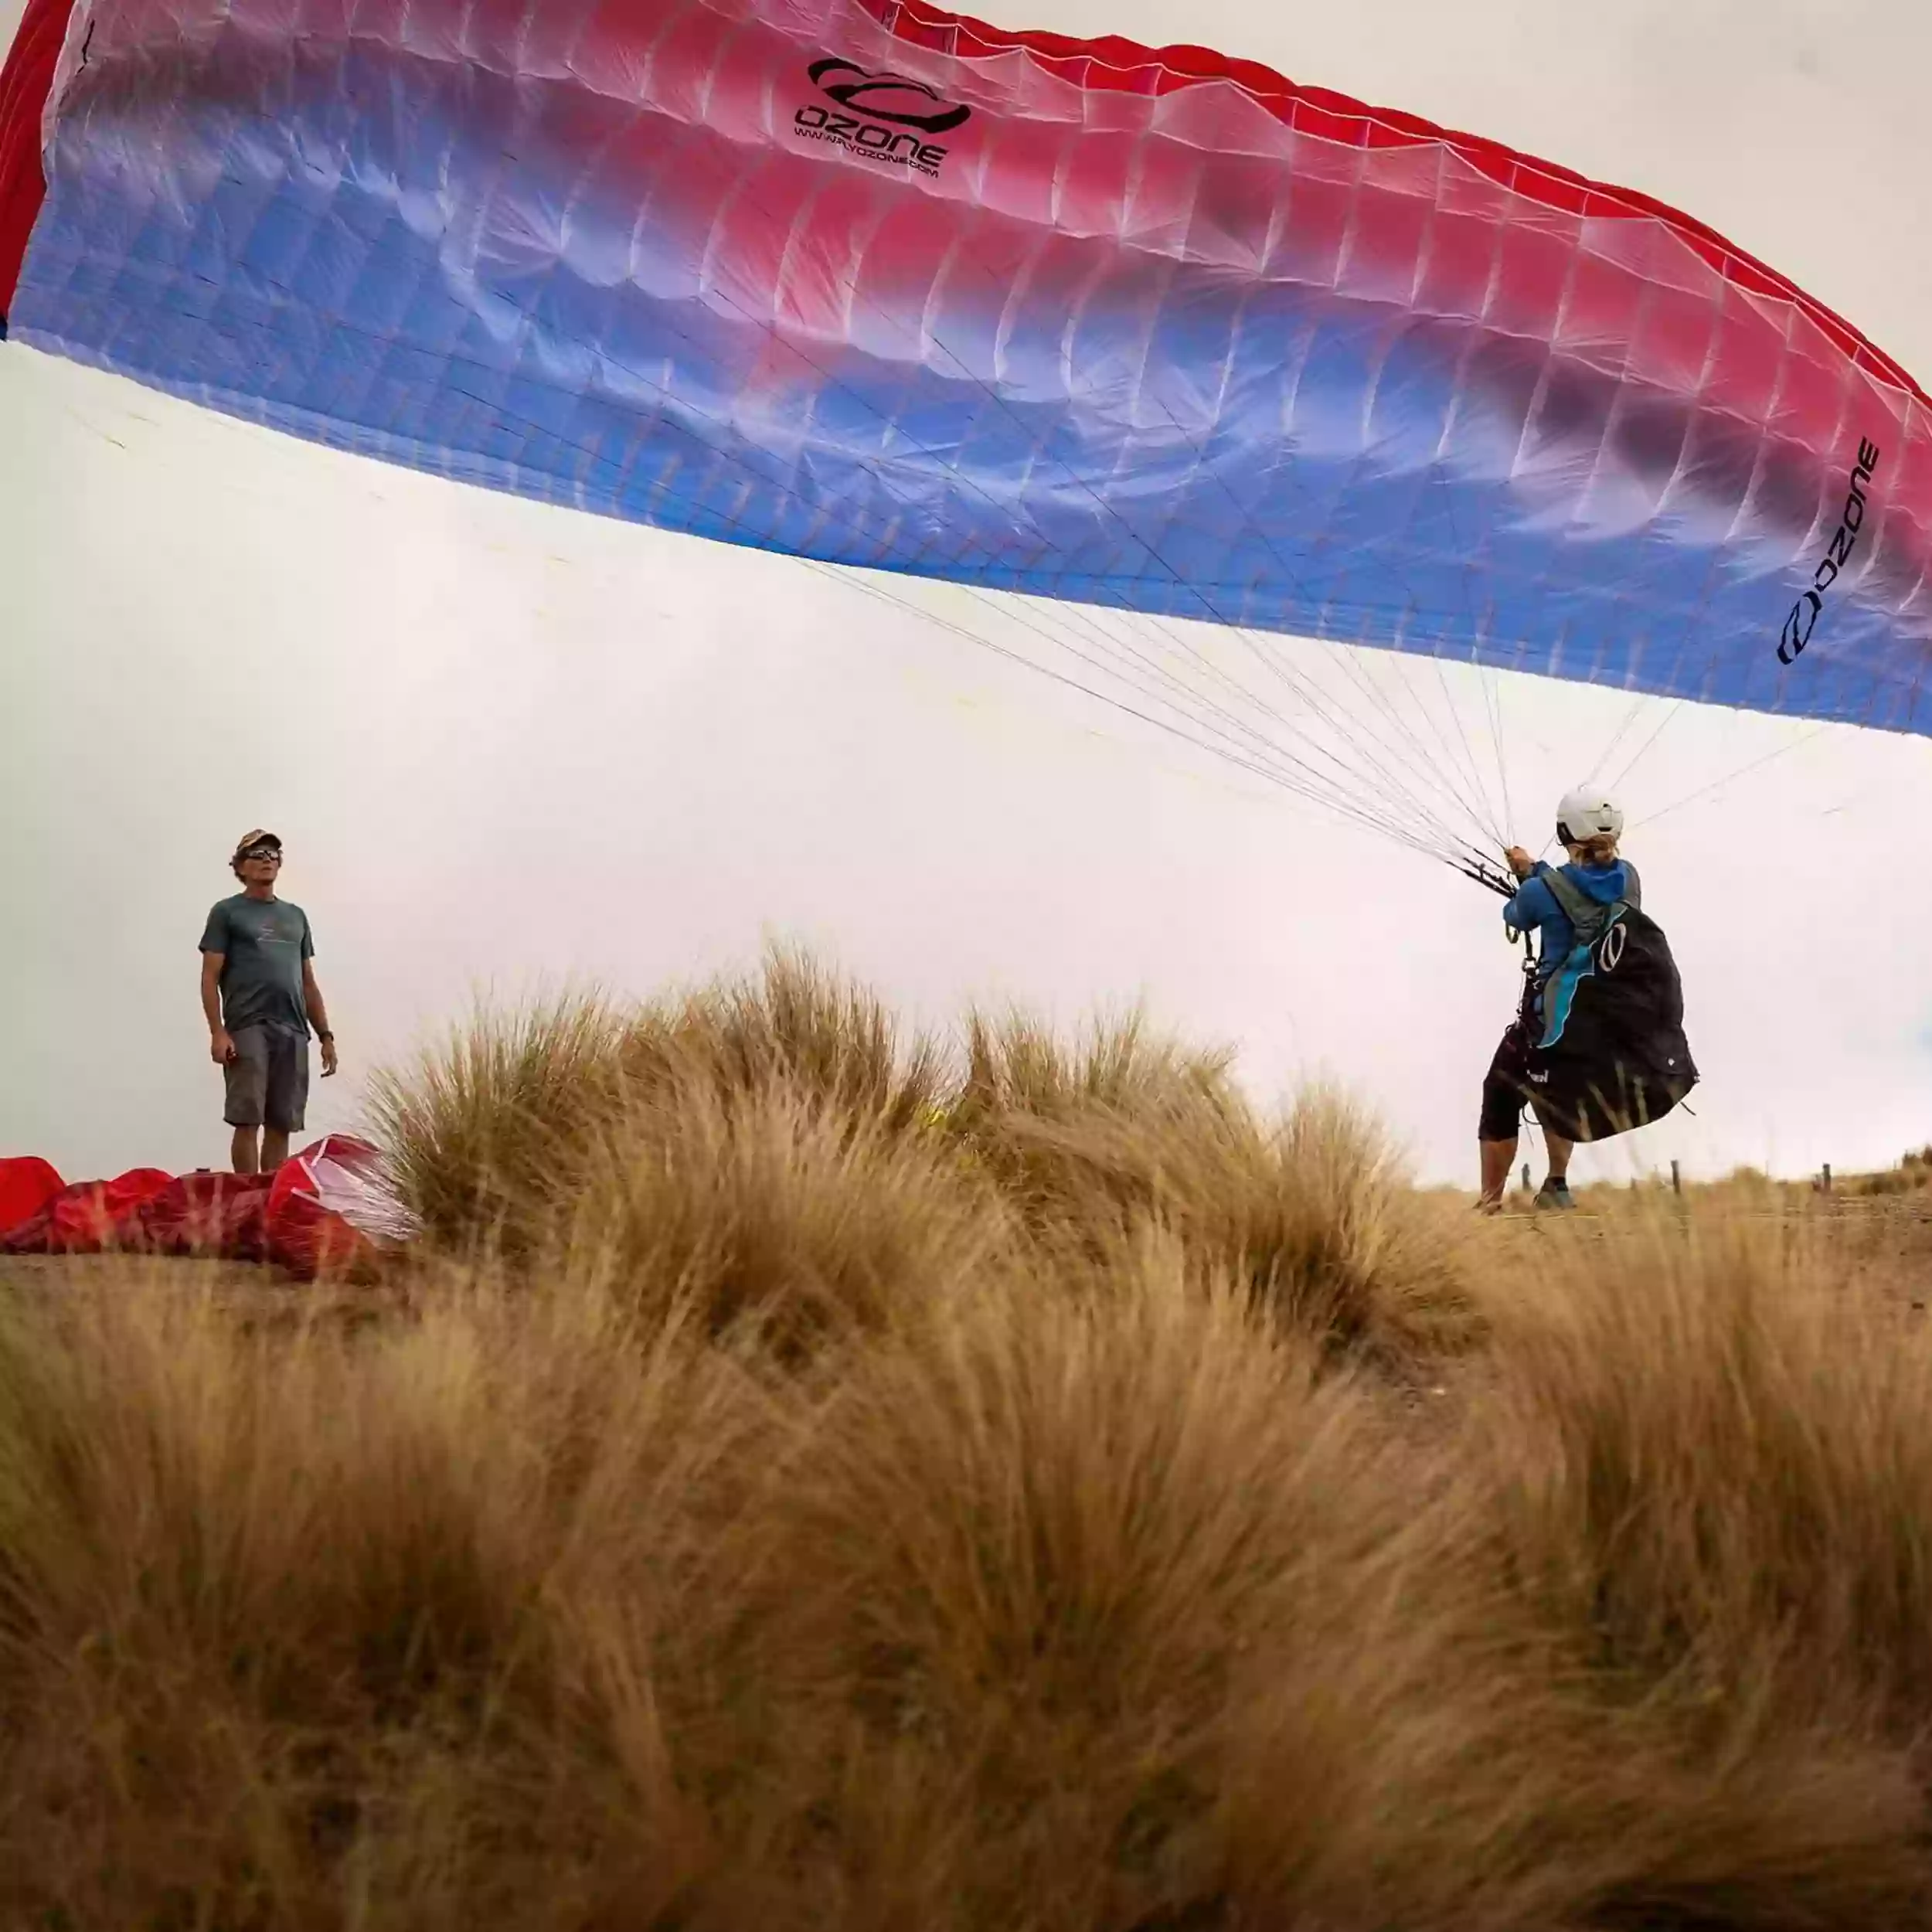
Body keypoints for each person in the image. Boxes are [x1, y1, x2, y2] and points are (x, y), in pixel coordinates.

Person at [1476, 787, 1638, 1213]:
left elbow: (1517, 914)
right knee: (1559, 1093)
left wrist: (1529, 877)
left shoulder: (1540, 891)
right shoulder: (1631, 879)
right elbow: (1579, 889)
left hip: (1548, 1018)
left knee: (1500, 1091)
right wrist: (1537, 872)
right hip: (1601, 1016)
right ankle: (1557, 1184)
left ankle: (1490, 1203)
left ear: (1563, 831)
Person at [198, 830, 337, 1175]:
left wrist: (325, 1035)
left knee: (281, 1121)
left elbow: (307, 980)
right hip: (248, 1024)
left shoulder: (296, 916)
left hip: (292, 1027)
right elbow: (209, 976)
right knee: (248, 1117)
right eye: (257, 854)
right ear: (240, 866)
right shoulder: (227, 912)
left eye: (273, 854)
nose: (266, 860)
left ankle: (268, 1200)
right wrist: (218, 1033)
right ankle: (245, 1196)